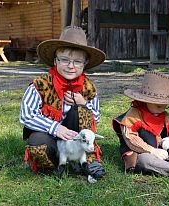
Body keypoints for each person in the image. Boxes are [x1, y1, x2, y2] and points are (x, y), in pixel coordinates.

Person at [20, 26, 106, 178]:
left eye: (77, 61)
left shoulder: (88, 88)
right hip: (49, 134)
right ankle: (55, 163)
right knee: (38, 143)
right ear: (55, 61)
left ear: (84, 63)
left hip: (75, 135)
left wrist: (83, 103)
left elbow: (96, 117)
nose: (71, 66)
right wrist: (55, 128)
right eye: (65, 60)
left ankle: (86, 160)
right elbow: (26, 116)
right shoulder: (40, 85)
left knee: (83, 111)